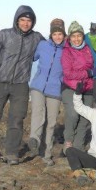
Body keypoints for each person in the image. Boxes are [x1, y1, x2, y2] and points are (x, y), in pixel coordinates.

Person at [0, 4, 44, 167]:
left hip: (21, 85)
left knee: (16, 119)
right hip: (0, 83)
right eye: (22, 20)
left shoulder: (37, 38)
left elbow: (51, 48)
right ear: (16, 20)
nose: (25, 23)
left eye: (29, 20)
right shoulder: (4, 34)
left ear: (33, 22)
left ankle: (12, 153)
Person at [27, 18, 66, 166]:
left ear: (64, 34)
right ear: (50, 34)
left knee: (51, 123)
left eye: (60, 34)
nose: (57, 36)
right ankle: (34, 139)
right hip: (38, 85)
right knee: (38, 113)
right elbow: (31, 57)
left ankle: (46, 154)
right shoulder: (42, 45)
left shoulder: (67, 50)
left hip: (55, 89)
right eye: (55, 33)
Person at [61, 21, 96, 153]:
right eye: (73, 36)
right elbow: (68, 73)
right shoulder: (66, 52)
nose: (77, 39)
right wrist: (88, 73)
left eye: (79, 35)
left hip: (88, 88)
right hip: (71, 87)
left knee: (85, 119)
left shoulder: (88, 49)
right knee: (73, 115)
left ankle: (78, 147)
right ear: (69, 37)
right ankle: (68, 141)